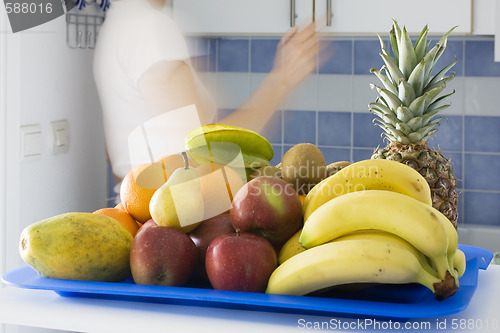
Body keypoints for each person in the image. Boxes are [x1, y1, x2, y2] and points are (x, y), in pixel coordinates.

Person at [93, 0, 321, 191]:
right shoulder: (149, 28)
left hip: (148, 217)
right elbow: (203, 153)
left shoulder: (120, 22)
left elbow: (116, 155)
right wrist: (282, 79)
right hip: (172, 222)